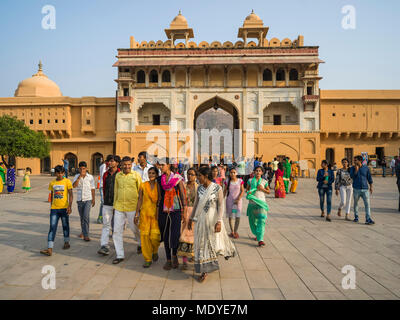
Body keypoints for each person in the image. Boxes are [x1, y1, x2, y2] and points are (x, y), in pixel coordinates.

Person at [188, 166, 236, 283]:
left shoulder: (217, 188)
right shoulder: (199, 189)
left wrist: (219, 221)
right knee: (201, 244)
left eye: (199, 176)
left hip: (212, 220)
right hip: (200, 220)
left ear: (206, 176)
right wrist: (191, 218)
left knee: (209, 243)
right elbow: (195, 205)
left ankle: (206, 269)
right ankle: (204, 269)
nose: (198, 178)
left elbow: (221, 206)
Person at [112, 156, 142, 264]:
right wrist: (114, 207)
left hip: (133, 207)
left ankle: (140, 243)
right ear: (121, 165)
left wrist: (139, 210)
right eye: (125, 164)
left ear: (132, 165)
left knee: (135, 229)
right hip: (119, 206)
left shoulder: (136, 175)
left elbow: (140, 193)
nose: (127, 166)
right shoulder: (118, 176)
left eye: (129, 164)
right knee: (116, 231)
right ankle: (120, 255)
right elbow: (116, 191)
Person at [157, 158, 186, 270]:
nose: (161, 167)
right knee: (165, 234)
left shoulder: (177, 178)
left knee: (174, 234)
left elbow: (182, 195)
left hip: (176, 209)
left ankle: (174, 256)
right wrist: (157, 211)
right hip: (164, 210)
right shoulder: (159, 179)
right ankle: (168, 259)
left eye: (163, 165)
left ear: (168, 165)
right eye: (160, 165)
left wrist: (184, 210)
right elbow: (160, 196)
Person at [40, 166, 73, 256]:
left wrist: (70, 206)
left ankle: (66, 242)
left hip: (64, 208)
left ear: (64, 173)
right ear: (55, 173)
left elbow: (71, 194)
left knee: (65, 226)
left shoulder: (67, 181)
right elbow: (52, 195)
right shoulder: (52, 183)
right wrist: (51, 207)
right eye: (58, 173)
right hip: (54, 209)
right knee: (52, 227)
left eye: (62, 173)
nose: (60, 175)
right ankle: (50, 248)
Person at [135, 167, 161, 268]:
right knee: (145, 237)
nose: (151, 175)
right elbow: (140, 200)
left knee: (155, 237)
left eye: (153, 173)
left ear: (157, 175)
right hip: (144, 214)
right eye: (149, 173)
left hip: (155, 214)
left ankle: (155, 251)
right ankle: (147, 258)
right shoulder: (143, 185)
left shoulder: (159, 186)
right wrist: (136, 213)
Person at [98, 155, 120, 256]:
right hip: (107, 203)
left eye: (111, 161)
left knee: (116, 226)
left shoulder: (120, 174)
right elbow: (104, 188)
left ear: (117, 163)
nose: (109, 163)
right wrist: (104, 200)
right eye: (109, 161)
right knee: (106, 225)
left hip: (118, 204)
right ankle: (104, 246)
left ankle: (117, 244)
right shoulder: (105, 174)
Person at [177, 167, 198, 270]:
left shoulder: (199, 187)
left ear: (196, 176)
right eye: (189, 174)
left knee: (194, 235)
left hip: (195, 213)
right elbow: (180, 200)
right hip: (185, 212)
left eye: (192, 174)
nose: (190, 176)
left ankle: (193, 255)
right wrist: (182, 212)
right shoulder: (183, 185)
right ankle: (184, 260)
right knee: (184, 235)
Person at [246, 166, 270, 247]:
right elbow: (247, 190)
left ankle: (260, 239)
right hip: (252, 203)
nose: (258, 172)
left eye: (259, 171)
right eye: (256, 171)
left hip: (261, 203)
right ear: (254, 172)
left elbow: (268, 191)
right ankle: (257, 233)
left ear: (262, 172)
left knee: (261, 220)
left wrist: (262, 189)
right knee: (253, 221)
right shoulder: (249, 180)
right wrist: (248, 192)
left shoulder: (264, 181)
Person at [73, 161, 95, 241]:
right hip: (80, 200)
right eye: (81, 168)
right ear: (79, 169)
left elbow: (92, 188)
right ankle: (83, 231)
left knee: (86, 216)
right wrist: (79, 177)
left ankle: (86, 235)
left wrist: (93, 199)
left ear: (86, 168)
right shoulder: (76, 176)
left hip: (88, 199)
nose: (82, 170)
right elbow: (74, 186)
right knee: (82, 217)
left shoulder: (90, 177)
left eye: (84, 168)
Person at [350, 155, 374, 225]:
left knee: (367, 204)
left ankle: (368, 218)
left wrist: (371, 187)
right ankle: (356, 216)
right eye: (354, 160)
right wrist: (356, 170)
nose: (354, 161)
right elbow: (352, 177)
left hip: (365, 189)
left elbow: (369, 177)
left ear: (360, 161)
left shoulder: (366, 168)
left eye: (355, 160)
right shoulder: (352, 168)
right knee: (356, 203)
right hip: (356, 189)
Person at [224, 167, 244, 239]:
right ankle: (232, 231)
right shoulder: (227, 181)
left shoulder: (240, 181)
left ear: (236, 173)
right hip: (229, 201)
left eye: (234, 172)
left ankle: (235, 231)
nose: (232, 174)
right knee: (231, 216)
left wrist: (238, 198)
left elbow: (242, 191)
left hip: (237, 202)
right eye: (231, 172)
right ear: (229, 173)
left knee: (237, 216)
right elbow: (225, 191)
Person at [97, 156, 109, 224]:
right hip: (103, 185)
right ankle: (100, 217)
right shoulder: (103, 166)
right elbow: (104, 175)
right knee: (103, 202)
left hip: (109, 186)